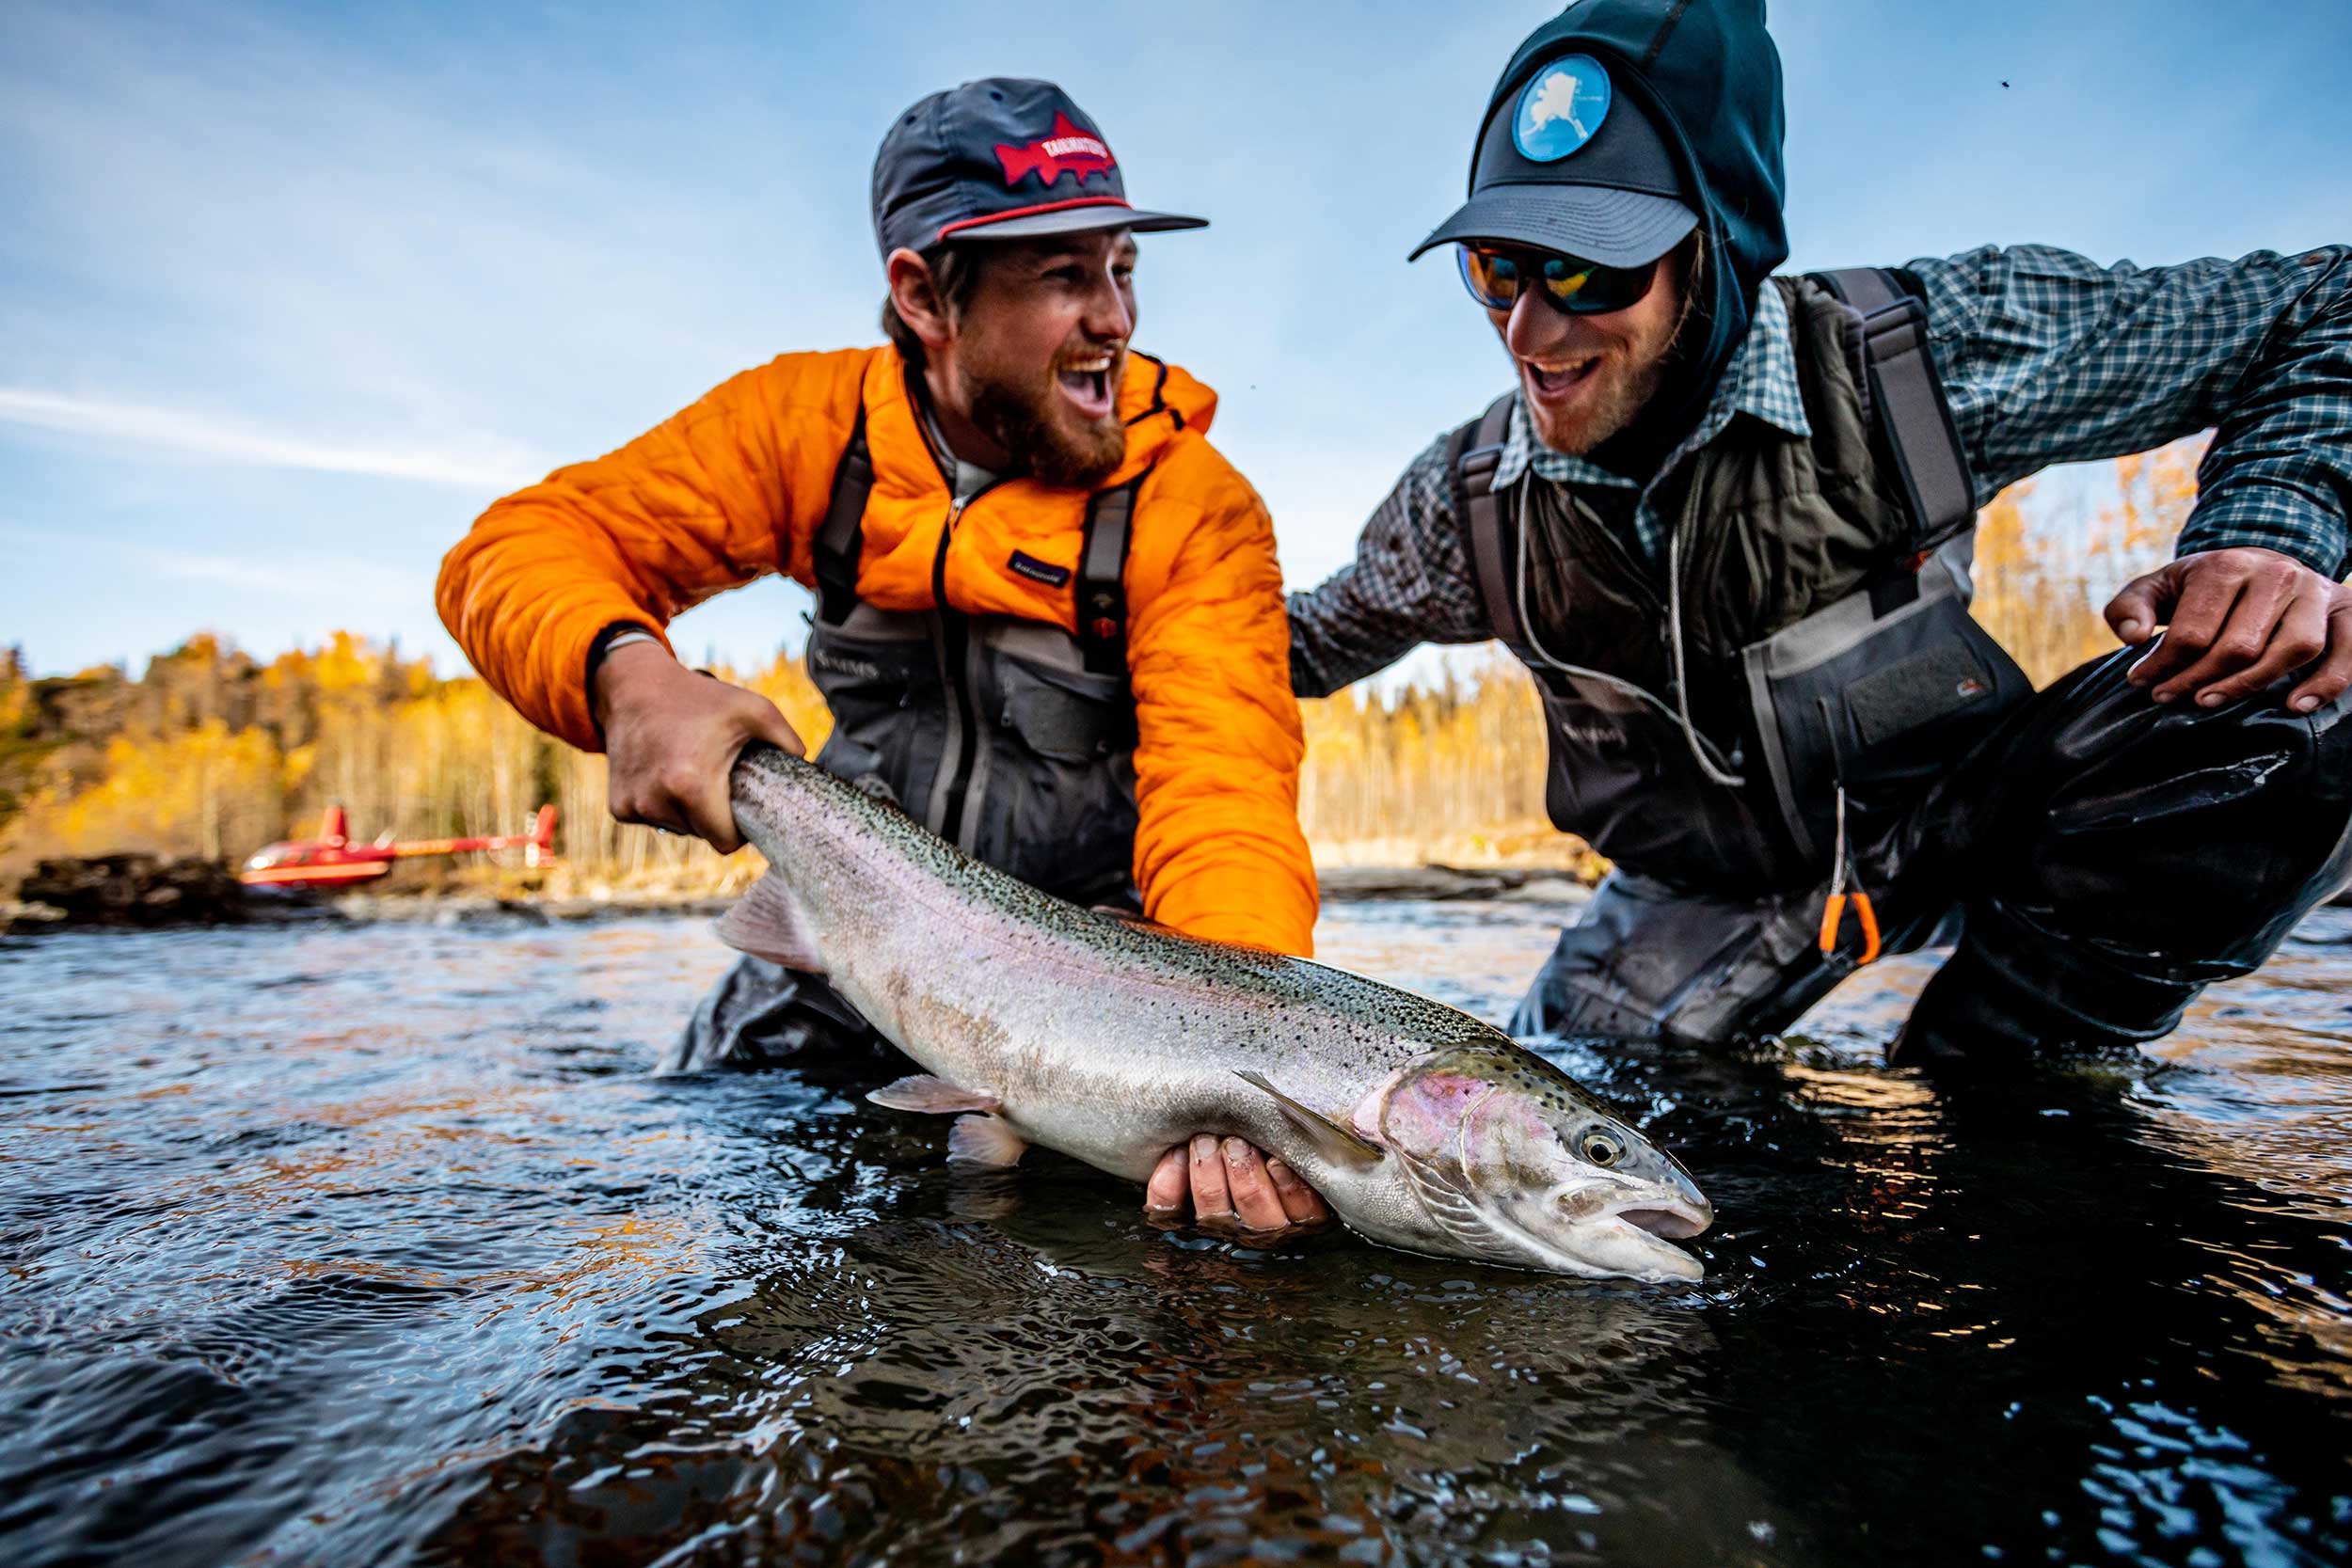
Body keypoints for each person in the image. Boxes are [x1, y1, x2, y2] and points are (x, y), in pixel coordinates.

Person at [1288, 0, 2352, 1068]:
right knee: (1551, 1117)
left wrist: (2264, 540)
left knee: (2292, 690)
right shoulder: (1459, 503)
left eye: (1588, 270)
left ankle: (2016, 1090)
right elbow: (1284, 645)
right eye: (1496, 268)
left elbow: (2324, 306)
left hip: (1959, 821)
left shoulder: (1920, 356)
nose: (1528, 327)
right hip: (1694, 898)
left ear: (1721, 238)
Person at [437, 79, 1332, 1238]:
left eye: (1122, 268)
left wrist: (1237, 1061)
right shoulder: (808, 427)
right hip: (839, 948)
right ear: (923, 296)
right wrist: (630, 674)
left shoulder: (1193, 507)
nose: (1115, 319)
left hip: (1093, 1001)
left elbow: (1228, 800)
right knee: (700, 1196)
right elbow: (516, 549)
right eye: (1065, 277)